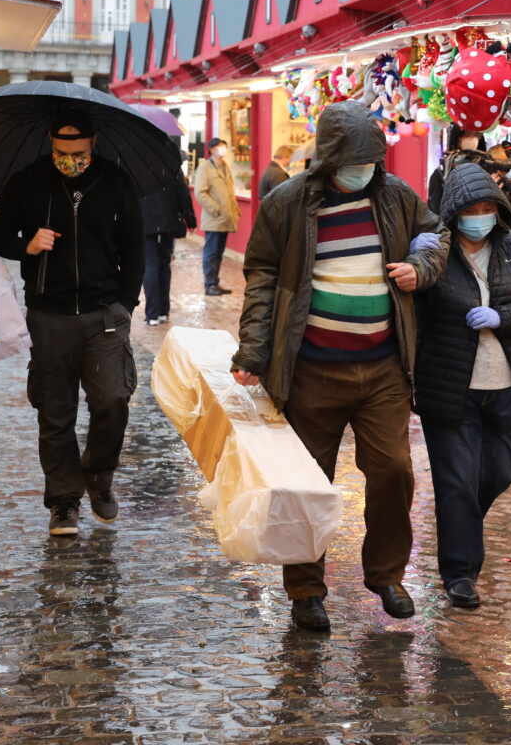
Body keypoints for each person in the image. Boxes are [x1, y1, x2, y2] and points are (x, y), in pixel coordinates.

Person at [230, 102, 448, 633]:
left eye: (373, 160)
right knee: (307, 483)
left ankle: (387, 575)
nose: (366, 170)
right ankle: (305, 590)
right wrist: (253, 351)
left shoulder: (395, 196)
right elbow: (261, 273)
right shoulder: (287, 203)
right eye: (356, 162)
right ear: (329, 159)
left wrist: (421, 267)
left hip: (383, 368)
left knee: (395, 471)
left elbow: (435, 235)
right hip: (311, 370)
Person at [0, 110, 145, 536]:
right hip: (49, 314)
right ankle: (63, 502)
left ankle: (99, 474)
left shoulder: (115, 181)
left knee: (112, 400)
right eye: (60, 151)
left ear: (92, 145)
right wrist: (28, 245)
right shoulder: (28, 181)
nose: (69, 159)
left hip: (104, 313)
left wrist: (125, 305)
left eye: (77, 152)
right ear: (50, 143)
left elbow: (134, 249)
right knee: (55, 413)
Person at [415, 163, 511, 610]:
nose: (480, 215)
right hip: (450, 387)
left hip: (504, 383)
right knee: (456, 482)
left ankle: (461, 526)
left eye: (487, 207)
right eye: (471, 208)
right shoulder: (437, 252)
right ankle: (461, 574)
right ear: (454, 213)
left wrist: (502, 317)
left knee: (501, 471)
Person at [141, 168, 196, 326]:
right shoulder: (171, 165)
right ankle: (163, 311)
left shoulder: (137, 165)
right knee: (164, 265)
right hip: (167, 223)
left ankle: (152, 314)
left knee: (150, 266)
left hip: (146, 224)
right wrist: (190, 219)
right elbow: (183, 194)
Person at [193, 137, 239, 296]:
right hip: (214, 218)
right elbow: (200, 193)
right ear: (211, 149)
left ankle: (215, 283)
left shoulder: (225, 166)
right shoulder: (205, 167)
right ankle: (210, 284)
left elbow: (229, 192)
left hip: (226, 218)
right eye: (220, 147)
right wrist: (216, 209)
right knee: (211, 252)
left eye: (224, 147)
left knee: (218, 253)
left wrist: (235, 210)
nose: (223, 150)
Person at [427, 125, 487, 216]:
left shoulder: (487, 167)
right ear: (458, 138)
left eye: (476, 135)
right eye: (468, 135)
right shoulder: (442, 172)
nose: (472, 140)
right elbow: (435, 208)